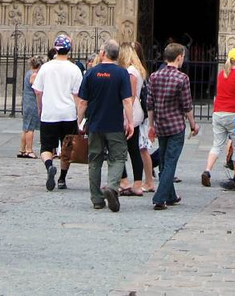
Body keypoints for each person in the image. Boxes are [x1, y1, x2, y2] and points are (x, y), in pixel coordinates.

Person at [77, 40, 133, 212]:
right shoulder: (122, 73)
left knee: (94, 160)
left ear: (103, 53)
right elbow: (126, 101)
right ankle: (112, 186)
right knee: (117, 158)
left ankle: (96, 199)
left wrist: (79, 121)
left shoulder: (91, 73)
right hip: (115, 124)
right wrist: (130, 122)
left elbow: (82, 102)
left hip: (95, 124)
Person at [148, 42, 198, 210]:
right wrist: (193, 124)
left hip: (161, 124)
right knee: (170, 162)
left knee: (163, 160)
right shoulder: (182, 78)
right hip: (176, 125)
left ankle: (170, 196)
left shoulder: (154, 76)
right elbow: (187, 105)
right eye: (183, 57)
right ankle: (160, 198)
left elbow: (150, 104)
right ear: (178, 57)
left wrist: (151, 125)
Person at [34, 34, 83, 191]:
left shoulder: (46, 68)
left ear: (55, 48)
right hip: (68, 113)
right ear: (69, 50)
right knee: (67, 147)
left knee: (46, 147)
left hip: (50, 113)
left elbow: (38, 92)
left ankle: (49, 166)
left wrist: (40, 107)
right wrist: (79, 115)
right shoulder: (74, 69)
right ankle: (62, 178)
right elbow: (77, 95)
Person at [203, 47, 235, 187]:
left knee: (217, 145)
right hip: (233, 113)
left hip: (218, 112)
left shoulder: (222, 73)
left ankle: (207, 170)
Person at [116, 44, 153, 194]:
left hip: (129, 112)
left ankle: (127, 181)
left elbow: (129, 96)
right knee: (133, 149)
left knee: (120, 148)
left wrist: (126, 117)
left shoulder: (130, 71)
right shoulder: (136, 70)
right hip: (134, 112)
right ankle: (132, 182)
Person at [17, 54, 41, 159]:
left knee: (25, 127)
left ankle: (22, 149)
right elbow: (37, 90)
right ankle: (29, 150)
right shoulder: (34, 75)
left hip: (27, 101)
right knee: (30, 128)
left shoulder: (28, 73)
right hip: (31, 102)